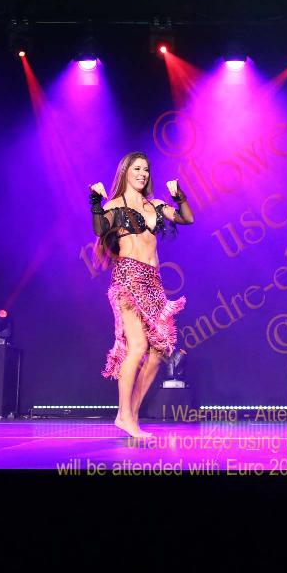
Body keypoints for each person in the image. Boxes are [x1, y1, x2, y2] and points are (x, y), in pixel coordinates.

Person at [89, 152, 194, 438]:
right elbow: (100, 228)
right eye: (137, 169)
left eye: (146, 170)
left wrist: (180, 196)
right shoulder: (115, 205)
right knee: (137, 346)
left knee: (159, 351)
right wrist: (95, 203)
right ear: (125, 171)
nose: (142, 174)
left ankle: (130, 414)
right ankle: (124, 414)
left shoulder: (154, 205)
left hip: (153, 281)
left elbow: (187, 218)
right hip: (128, 276)